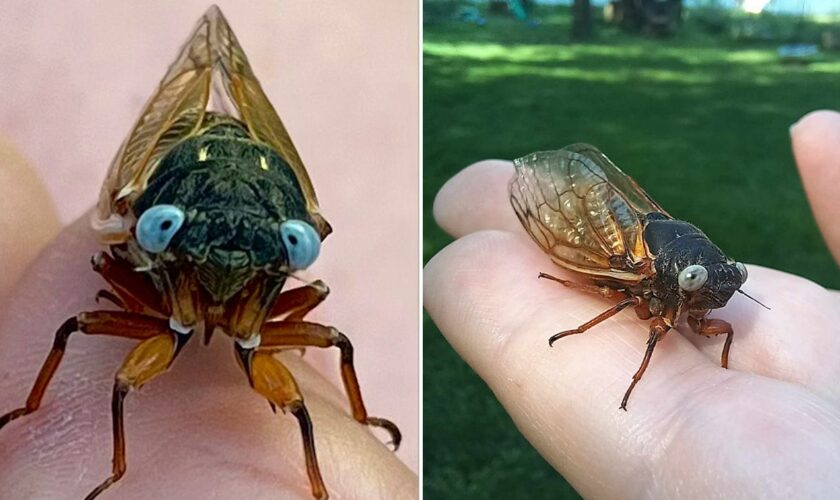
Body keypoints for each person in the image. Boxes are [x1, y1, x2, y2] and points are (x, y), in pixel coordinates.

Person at [425, 110, 840, 498]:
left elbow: (718, 316)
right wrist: (584, 331)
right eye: (699, 285)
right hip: (626, 249)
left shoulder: (702, 286)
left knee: (724, 326)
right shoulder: (651, 277)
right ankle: (593, 330)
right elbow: (628, 303)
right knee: (619, 293)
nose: (719, 299)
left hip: (669, 252)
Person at [0, 135, 417, 498]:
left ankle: (320, 487)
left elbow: (316, 301)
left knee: (316, 377)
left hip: (221, 253)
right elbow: (104, 263)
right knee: (106, 360)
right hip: (177, 214)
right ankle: (114, 467)